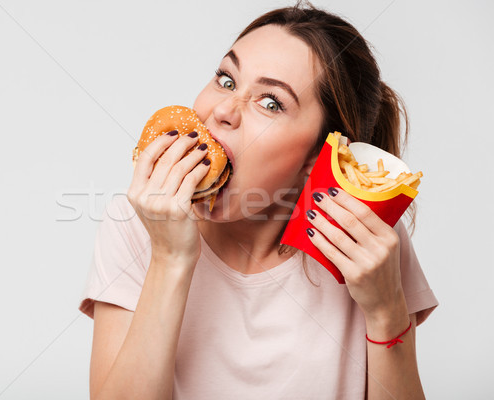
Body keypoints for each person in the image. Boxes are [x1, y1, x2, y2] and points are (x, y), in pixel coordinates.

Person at [79, 3, 438, 399]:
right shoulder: (135, 225)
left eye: (271, 103)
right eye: (227, 79)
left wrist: (385, 310)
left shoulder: (364, 240)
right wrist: (170, 258)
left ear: (319, 155)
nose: (222, 111)